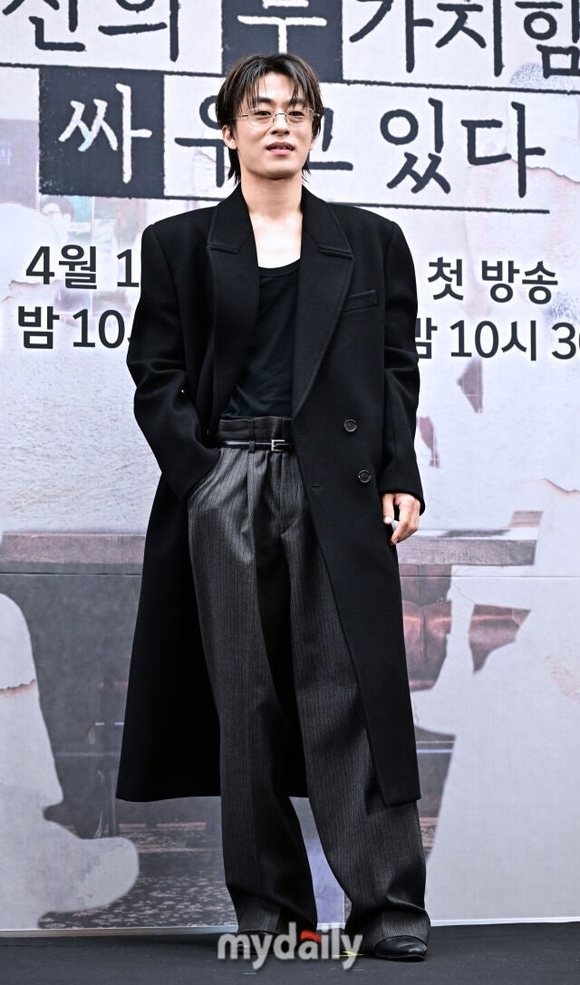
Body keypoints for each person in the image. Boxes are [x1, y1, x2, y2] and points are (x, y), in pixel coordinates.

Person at [116, 52, 430, 961]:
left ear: (315, 130)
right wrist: (203, 475)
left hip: (339, 483)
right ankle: (271, 906)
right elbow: (156, 372)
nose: (280, 124)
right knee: (242, 694)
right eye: (259, 110)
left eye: (297, 111)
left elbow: (395, 368)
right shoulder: (180, 244)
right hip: (228, 478)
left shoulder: (371, 240)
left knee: (350, 689)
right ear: (229, 131)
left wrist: (399, 470)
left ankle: (386, 905)